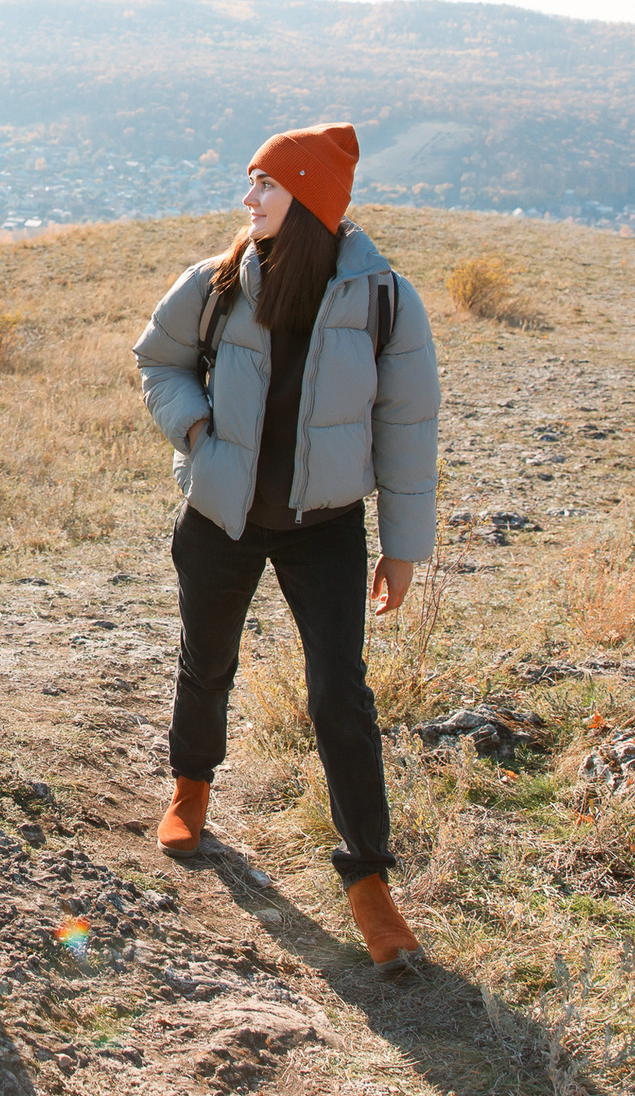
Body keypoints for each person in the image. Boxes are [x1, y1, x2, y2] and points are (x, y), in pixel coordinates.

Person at [131, 123, 440, 971]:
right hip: (220, 516)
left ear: (307, 197)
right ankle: (191, 789)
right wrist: (195, 428)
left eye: (265, 184)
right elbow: (157, 360)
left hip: (326, 527)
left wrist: (404, 546)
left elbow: (409, 427)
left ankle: (368, 881)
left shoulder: (384, 299)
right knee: (207, 662)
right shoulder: (219, 281)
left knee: (340, 693)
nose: (248, 199)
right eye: (251, 182)